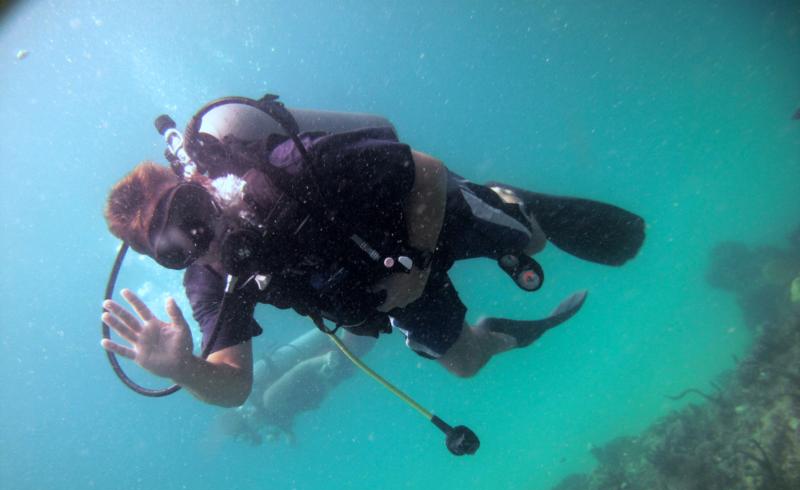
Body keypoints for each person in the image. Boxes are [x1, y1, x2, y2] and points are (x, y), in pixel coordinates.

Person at [101, 101, 645, 408]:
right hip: (382, 287)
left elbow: (426, 169)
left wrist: (419, 258)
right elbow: (235, 385)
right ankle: (504, 330)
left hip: (423, 215)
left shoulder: (284, 168)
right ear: (167, 260)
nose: (206, 236)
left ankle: (506, 202)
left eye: (192, 209)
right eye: (179, 246)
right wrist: (185, 368)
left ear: (197, 183)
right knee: (465, 364)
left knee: (535, 241)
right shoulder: (215, 283)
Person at [216, 329, 375, 445]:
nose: (258, 429)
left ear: (247, 419)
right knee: (366, 335)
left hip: (331, 359)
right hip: (332, 369)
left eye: (248, 432)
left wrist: (325, 359)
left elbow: (300, 370)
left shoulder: (271, 400)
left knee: (364, 333)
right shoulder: (272, 413)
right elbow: (287, 416)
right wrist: (288, 434)